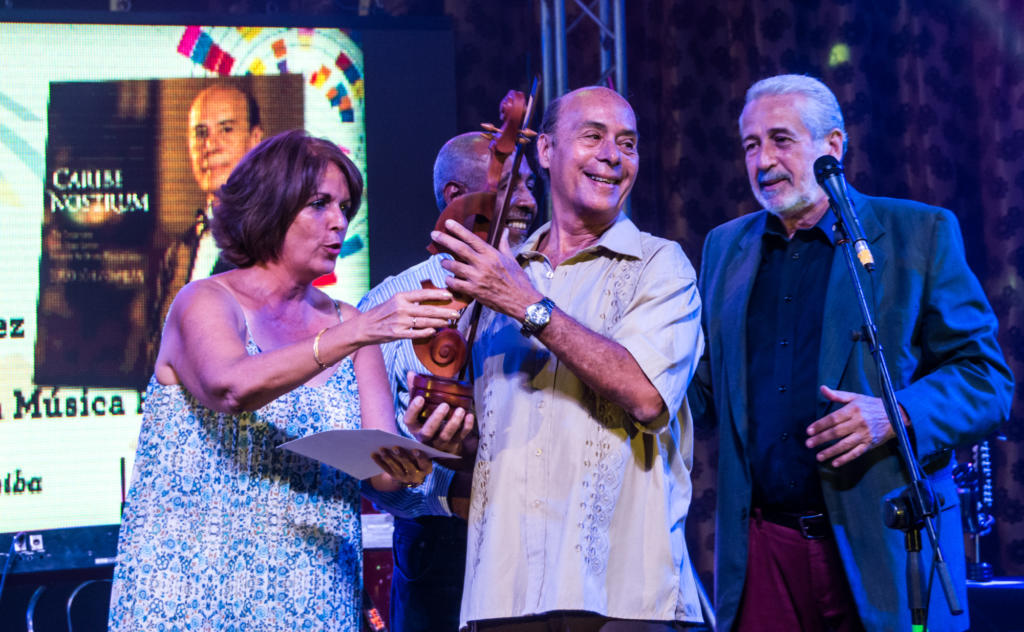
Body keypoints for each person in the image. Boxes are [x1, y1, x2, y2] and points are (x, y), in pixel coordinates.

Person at [689, 74, 1013, 632]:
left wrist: (897, 414)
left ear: (832, 146)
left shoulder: (917, 232)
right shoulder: (726, 246)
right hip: (764, 549)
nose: (763, 160)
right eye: (750, 144)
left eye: (781, 140)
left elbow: (987, 380)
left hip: (883, 545)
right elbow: (700, 391)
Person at [108, 130, 463, 630]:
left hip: (312, 596)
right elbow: (231, 387)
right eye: (319, 204)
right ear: (269, 207)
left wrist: (420, 444)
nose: (339, 221)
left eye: (344, 207)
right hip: (187, 594)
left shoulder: (352, 326)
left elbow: (383, 475)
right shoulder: (204, 301)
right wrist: (359, 330)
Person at [430, 86, 705, 630]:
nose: (613, 155)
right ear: (547, 152)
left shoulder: (660, 265)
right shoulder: (502, 272)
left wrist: (524, 303)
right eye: (593, 137)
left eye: (628, 144)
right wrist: (444, 438)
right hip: (503, 596)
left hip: (622, 597)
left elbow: (647, 397)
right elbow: (492, 436)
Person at [358, 131, 539, 632]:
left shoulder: (547, 291)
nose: (526, 200)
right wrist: (423, 464)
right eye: (509, 187)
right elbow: (379, 475)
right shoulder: (388, 303)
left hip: (539, 535)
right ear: (456, 198)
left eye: (529, 185)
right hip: (440, 548)